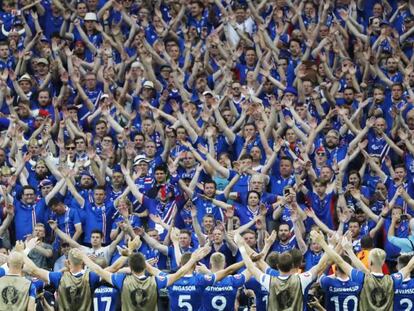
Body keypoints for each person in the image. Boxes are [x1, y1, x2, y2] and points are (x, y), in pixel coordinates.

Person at [77, 247, 211, 311]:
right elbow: (180, 272)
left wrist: (84, 257)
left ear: (129, 266)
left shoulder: (121, 280)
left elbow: (99, 270)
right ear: (145, 266)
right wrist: (192, 259)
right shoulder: (156, 281)